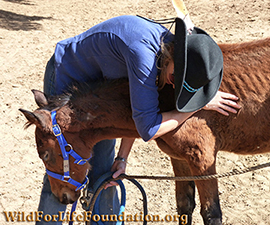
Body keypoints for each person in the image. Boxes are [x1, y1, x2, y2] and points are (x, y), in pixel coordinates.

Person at [38, 15, 241, 224]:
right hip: (67, 75)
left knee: (105, 170)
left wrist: (122, 158)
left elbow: (131, 108)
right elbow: (149, 128)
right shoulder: (143, 57)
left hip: (101, 88)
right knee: (61, 163)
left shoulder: (166, 49)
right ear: (174, 58)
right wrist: (197, 105)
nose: (174, 86)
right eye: (176, 79)